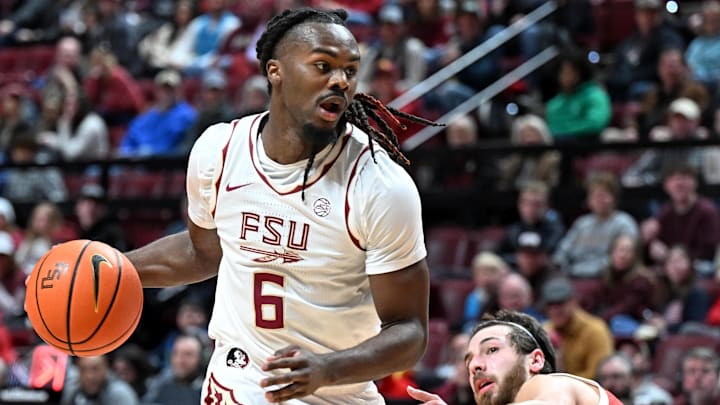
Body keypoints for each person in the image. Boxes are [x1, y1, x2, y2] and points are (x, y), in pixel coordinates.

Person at [125, 7, 436, 404]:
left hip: (334, 395)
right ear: (276, 71)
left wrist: (328, 369)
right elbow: (202, 251)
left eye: (350, 70)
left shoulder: (380, 186)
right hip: (235, 385)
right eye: (323, 66)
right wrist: (113, 270)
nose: (340, 81)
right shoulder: (218, 150)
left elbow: (409, 330)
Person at [406, 310, 623, 405]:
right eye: (468, 360)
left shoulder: (553, 384)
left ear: (535, 360)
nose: (475, 366)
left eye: (491, 350)